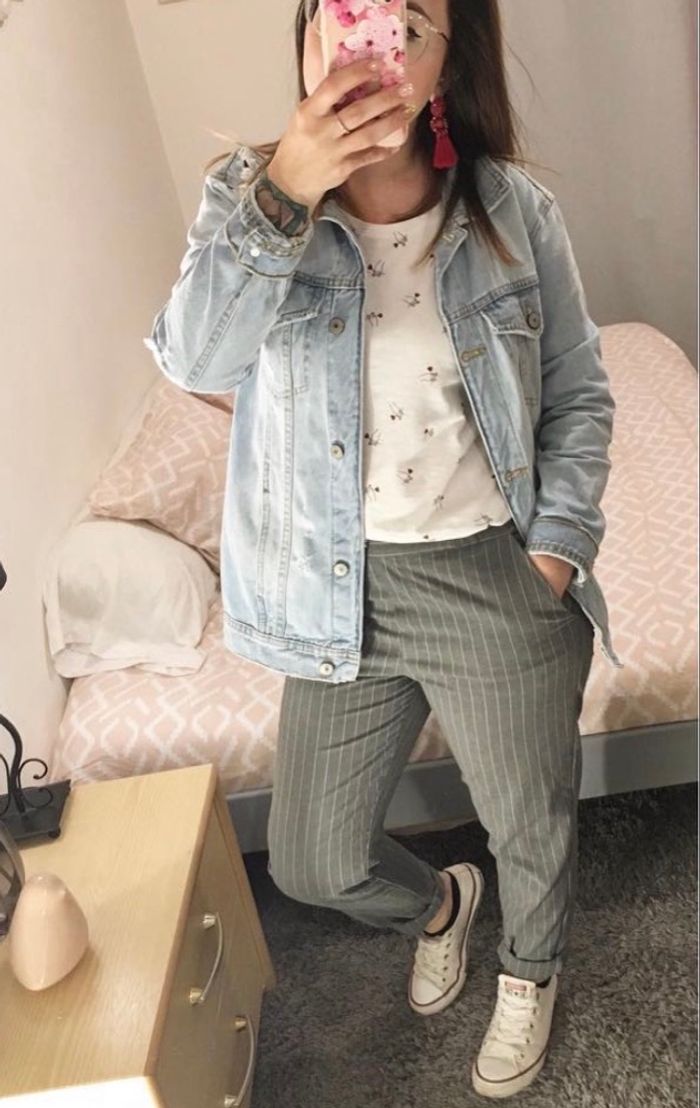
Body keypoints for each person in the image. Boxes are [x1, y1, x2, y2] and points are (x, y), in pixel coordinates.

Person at [145, 0, 620, 1098]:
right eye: (351, 14)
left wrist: (553, 552)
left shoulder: (512, 210)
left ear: (449, 61)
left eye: (409, 23)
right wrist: (286, 191)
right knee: (313, 859)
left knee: (529, 823)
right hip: (333, 588)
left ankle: (529, 969)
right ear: (312, 34)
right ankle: (439, 902)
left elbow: (580, 394)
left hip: (491, 572)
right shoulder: (246, 197)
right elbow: (196, 363)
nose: (376, 48)